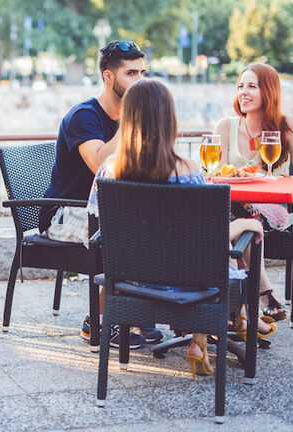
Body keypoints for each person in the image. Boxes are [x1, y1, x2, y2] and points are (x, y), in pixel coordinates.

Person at [87, 79, 276, 379]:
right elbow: (207, 234)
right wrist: (242, 224)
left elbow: (100, 227)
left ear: (127, 118)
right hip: (189, 285)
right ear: (168, 119)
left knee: (209, 257)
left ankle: (204, 337)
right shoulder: (188, 171)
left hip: (131, 283)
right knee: (221, 258)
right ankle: (216, 329)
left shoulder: (108, 170)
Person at [39, 40, 151, 348]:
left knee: (158, 224)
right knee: (131, 231)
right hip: (65, 212)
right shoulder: (84, 117)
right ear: (108, 77)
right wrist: (131, 119)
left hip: (112, 209)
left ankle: (141, 314)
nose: (139, 81)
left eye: (142, 73)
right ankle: (99, 321)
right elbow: (102, 163)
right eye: (131, 73)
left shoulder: (135, 119)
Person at [213, 63, 293, 322]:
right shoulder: (225, 126)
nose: (243, 92)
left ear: (268, 91)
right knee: (237, 218)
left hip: (270, 206)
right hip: (231, 207)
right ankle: (261, 297)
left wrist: (275, 179)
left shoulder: (287, 125)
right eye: (240, 86)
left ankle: (241, 303)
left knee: (246, 220)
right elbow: (216, 174)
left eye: (252, 86)